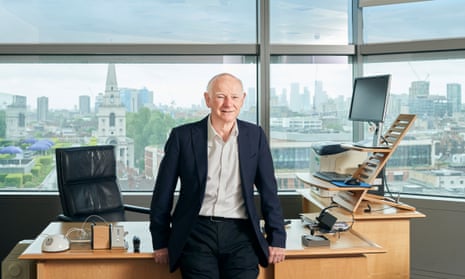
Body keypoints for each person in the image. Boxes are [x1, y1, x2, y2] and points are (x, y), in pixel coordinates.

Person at [150, 72, 286, 278]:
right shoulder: (183, 136)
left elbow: (269, 191)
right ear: (208, 99)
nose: (228, 103)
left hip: (241, 234)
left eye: (235, 97)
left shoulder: (255, 136)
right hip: (197, 232)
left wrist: (277, 238)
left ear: (243, 100)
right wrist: (160, 242)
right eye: (221, 96)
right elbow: (163, 192)